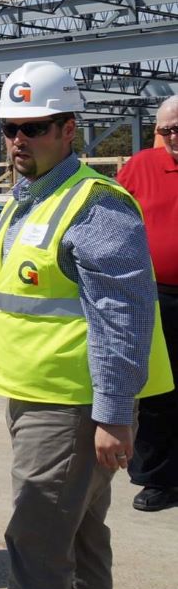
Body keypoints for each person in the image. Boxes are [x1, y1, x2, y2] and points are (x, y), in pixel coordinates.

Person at [0, 60, 173, 589]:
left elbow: (123, 320)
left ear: (68, 129)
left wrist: (116, 414)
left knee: (35, 547)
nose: (18, 140)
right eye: (10, 127)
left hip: (71, 409)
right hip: (37, 401)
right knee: (79, 538)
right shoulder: (26, 201)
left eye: (34, 127)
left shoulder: (96, 205)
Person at [115, 94, 178, 512]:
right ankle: (159, 479)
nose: (174, 136)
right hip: (158, 297)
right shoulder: (139, 168)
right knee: (158, 393)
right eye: (167, 129)